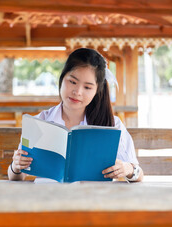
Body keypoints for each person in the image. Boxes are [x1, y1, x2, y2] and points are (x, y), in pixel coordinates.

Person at [8, 48, 144, 182]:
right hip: (48, 197)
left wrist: (128, 169)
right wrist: (16, 166)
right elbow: (17, 175)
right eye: (72, 82)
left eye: (87, 87)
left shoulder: (112, 125)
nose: (77, 92)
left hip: (92, 200)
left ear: (97, 91)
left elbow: (139, 175)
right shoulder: (40, 121)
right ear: (62, 78)